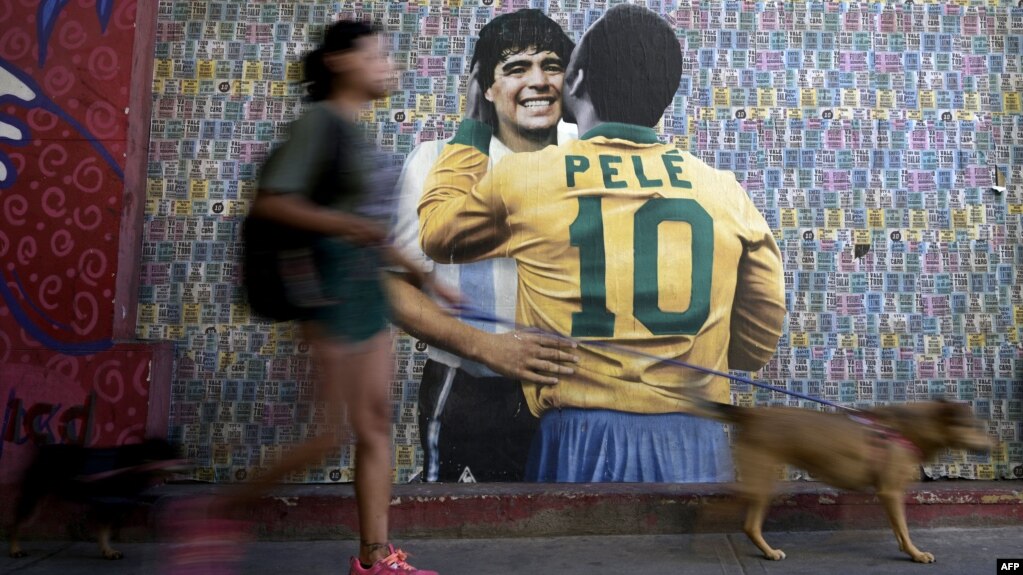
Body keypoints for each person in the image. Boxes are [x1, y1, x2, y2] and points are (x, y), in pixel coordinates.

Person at [418, 5, 786, 482]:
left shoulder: (526, 179)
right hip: (695, 435)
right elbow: (757, 341)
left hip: (578, 435)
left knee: (580, 553)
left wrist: (473, 129)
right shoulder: (724, 190)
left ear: (575, 82)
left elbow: (437, 234)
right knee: (694, 556)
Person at [245, 21, 441, 575]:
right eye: (376, 55)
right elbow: (274, 202)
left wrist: (417, 271)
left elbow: (368, 229)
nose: (388, 65)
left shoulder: (355, 133)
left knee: (376, 425)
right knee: (329, 434)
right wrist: (345, 227)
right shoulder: (319, 123)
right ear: (338, 62)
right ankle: (215, 510)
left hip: (366, 294)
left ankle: (375, 559)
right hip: (329, 294)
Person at [388, 9, 578, 483]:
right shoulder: (437, 161)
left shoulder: (593, 162)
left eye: (551, 66)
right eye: (516, 68)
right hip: (467, 388)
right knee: (448, 525)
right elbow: (394, 290)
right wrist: (488, 348)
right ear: (485, 87)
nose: (538, 81)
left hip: (572, 393)